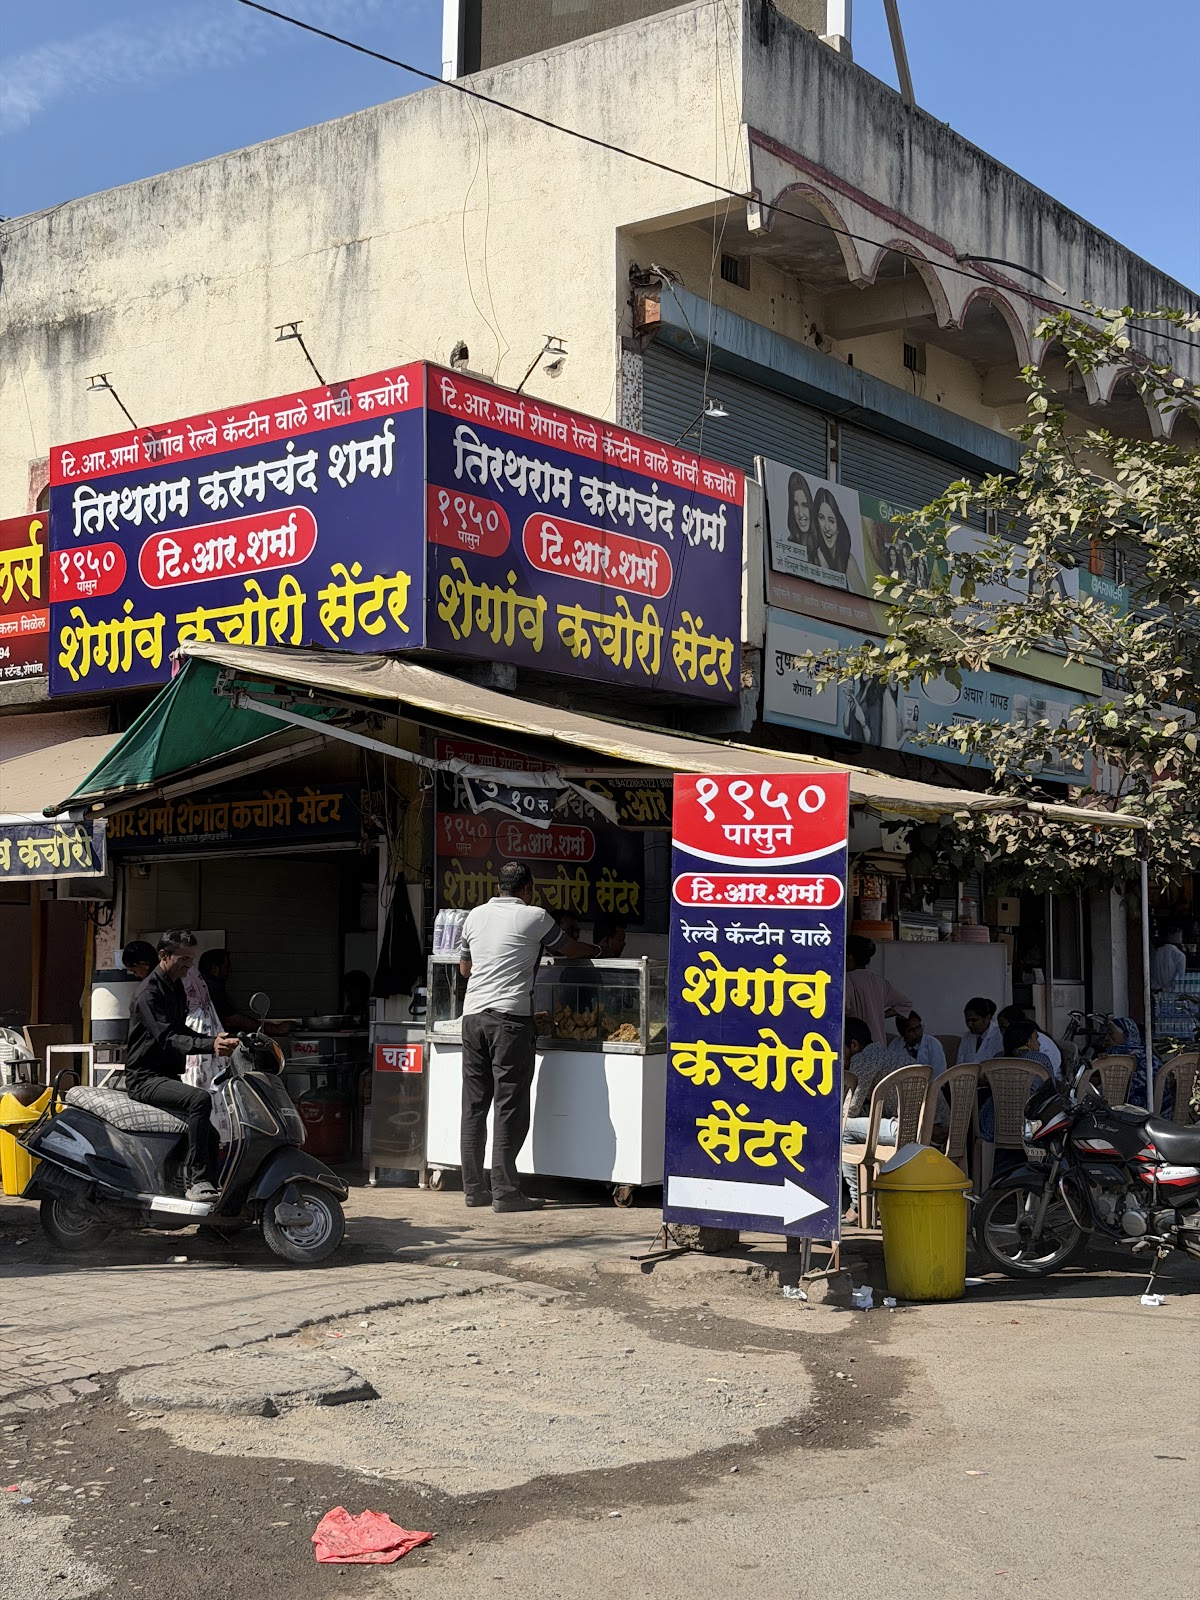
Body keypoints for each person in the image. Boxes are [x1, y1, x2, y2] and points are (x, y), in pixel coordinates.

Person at [458, 862, 601, 1212]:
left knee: (474, 1106)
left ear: (499, 887)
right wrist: (598, 951)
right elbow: (567, 949)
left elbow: (465, 969)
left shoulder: (474, 916)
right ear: (527, 890)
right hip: (509, 1020)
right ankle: (506, 1193)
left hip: (472, 1017)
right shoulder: (534, 916)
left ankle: (474, 1190)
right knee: (509, 1107)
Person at [125, 930, 238, 1201]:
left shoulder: (175, 986)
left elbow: (181, 1030)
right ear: (164, 956)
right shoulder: (148, 993)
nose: (189, 965)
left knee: (211, 1136)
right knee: (200, 1099)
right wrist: (210, 1046)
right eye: (184, 959)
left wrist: (214, 1039)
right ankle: (198, 1182)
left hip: (166, 1075)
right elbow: (168, 1037)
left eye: (192, 959)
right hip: (145, 1079)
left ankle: (210, 1197)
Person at [841, 1018, 907, 1216]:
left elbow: (850, 1110)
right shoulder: (887, 1054)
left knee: (843, 1128)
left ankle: (858, 1203)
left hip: (902, 1128)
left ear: (854, 1045)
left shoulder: (863, 1059)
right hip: (931, 1125)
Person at [844, 935, 912, 1046]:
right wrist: (878, 1015)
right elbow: (905, 1003)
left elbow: (842, 1010)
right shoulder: (879, 981)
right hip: (878, 1043)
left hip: (857, 1045)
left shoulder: (846, 979)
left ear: (849, 956)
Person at [1106, 1015, 1172, 1117]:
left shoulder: (1119, 1055)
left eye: (1111, 1034)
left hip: (1134, 1114)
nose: (1106, 1038)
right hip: (1163, 1112)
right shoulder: (1147, 1054)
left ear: (1126, 1034)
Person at [811, 486, 865, 591]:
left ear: (838, 526)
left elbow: (864, 597)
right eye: (821, 518)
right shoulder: (816, 555)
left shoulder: (848, 561)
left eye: (831, 521)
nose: (827, 527)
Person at [998, 1005, 1062, 1079]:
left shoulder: (1040, 1053)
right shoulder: (1010, 1047)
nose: (1003, 1032)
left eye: (1005, 1027)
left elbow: (1044, 1078)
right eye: (1000, 1028)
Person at [957, 997, 1004, 1065]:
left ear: (987, 1018)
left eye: (974, 1020)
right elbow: (959, 1065)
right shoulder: (966, 1038)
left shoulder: (999, 1035)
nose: (970, 1024)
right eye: (967, 1020)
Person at [785, 471, 816, 557]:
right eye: (795, 505)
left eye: (805, 505)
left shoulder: (820, 551)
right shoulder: (789, 547)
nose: (800, 514)